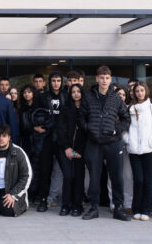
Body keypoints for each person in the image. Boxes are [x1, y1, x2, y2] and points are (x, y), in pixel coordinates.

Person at [79, 67, 131, 221]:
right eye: (101, 77)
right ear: (97, 79)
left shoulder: (116, 98)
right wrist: (89, 129)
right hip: (94, 142)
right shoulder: (88, 97)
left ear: (110, 79)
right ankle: (93, 208)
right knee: (94, 177)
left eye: (107, 78)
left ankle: (118, 208)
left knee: (117, 177)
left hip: (113, 143)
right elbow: (81, 117)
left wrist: (116, 130)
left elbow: (126, 118)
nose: (104, 80)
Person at [125, 82, 152, 221]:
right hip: (134, 150)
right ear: (133, 93)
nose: (140, 93)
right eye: (137, 91)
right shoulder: (130, 108)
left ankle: (146, 209)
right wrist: (128, 140)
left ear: (146, 91)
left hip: (150, 150)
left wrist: (151, 142)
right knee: (138, 180)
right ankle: (137, 208)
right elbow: (124, 127)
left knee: (148, 180)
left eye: (142, 90)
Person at [55, 83, 87, 216]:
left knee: (79, 177)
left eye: (78, 91)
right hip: (65, 149)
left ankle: (77, 205)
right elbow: (60, 130)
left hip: (81, 150)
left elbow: (88, 131)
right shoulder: (66, 108)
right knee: (68, 176)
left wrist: (79, 150)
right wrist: (67, 148)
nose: (76, 94)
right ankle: (65, 205)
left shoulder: (86, 109)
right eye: (73, 92)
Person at [41, 72, 68, 210]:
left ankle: (66, 203)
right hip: (47, 137)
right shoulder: (44, 97)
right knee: (45, 171)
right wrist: (37, 126)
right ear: (49, 82)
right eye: (53, 80)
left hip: (62, 139)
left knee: (66, 171)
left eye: (58, 80)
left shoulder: (66, 96)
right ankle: (43, 200)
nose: (56, 83)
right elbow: (37, 113)